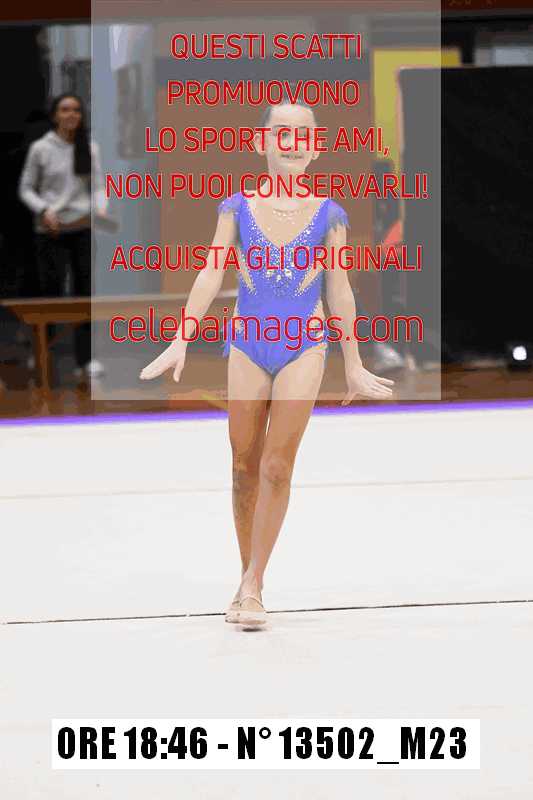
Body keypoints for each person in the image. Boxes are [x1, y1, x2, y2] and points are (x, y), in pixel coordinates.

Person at [140, 100, 394, 629]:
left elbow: (340, 290)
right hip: (248, 343)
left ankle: (254, 584)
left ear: (317, 147)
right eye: (282, 132)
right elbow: (210, 273)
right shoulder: (236, 208)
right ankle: (245, 573)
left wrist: (352, 362)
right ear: (261, 143)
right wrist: (181, 338)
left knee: (277, 465)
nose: (293, 141)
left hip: (305, 342)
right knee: (243, 466)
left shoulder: (330, 215)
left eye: (304, 133)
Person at [18, 93, 106, 379]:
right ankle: (43, 354)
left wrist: (100, 208)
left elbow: (98, 187)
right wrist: (44, 210)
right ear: (55, 115)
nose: (71, 115)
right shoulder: (41, 149)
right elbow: (26, 188)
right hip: (50, 230)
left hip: (80, 227)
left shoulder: (89, 147)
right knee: (51, 294)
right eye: (65, 110)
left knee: (84, 295)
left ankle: (85, 360)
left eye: (76, 110)